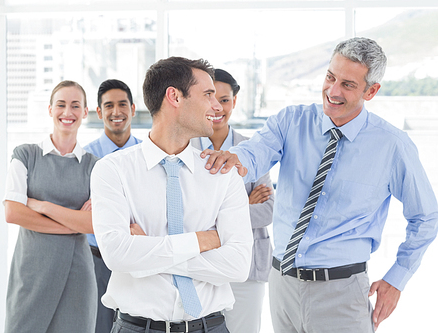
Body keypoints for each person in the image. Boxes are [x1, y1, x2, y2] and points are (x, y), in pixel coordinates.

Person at [203, 37, 438, 332]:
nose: (333, 91)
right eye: (330, 77)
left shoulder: (392, 145)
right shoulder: (290, 121)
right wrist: (233, 159)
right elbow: (254, 152)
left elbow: (426, 216)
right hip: (282, 284)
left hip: (342, 293)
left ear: (371, 90)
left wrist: (397, 279)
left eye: (348, 85)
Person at [91, 57, 253, 333]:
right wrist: (201, 241)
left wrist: (149, 253)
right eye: (208, 95)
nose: (217, 106)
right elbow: (117, 255)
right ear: (174, 96)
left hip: (210, 327)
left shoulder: (223, 172)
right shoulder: (112, 170)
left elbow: (237, 266)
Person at [4, 80, 98, 333]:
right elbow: (13, 212)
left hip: (76, 272)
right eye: (61, 105)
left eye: (75, 106)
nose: (68, 113)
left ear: (85, 113)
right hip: (31, 269)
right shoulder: (25, 155)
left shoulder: (94, 166)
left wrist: (41, 206)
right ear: (49, 109)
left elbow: (94, 224)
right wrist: (73, 223)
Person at [190, 69, 274, 333]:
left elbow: (268, 210)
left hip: (248, 268)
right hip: (201, 266)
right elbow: (186, 216)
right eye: (210, 98)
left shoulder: (253, 149)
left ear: (234, 101)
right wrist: (241, 205)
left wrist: (212, 215)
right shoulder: (187, 149)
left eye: (224, 100)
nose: (217, 107)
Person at [84, 79, 142, 333]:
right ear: (99, 112)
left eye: (122, 104)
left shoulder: (146, 153)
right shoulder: (85, 157)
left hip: (138, 257)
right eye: (109, 106)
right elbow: (83, 212)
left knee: (137, 323)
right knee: (98, 326)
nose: (116, 112)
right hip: (95, 259)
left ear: (132, 108)